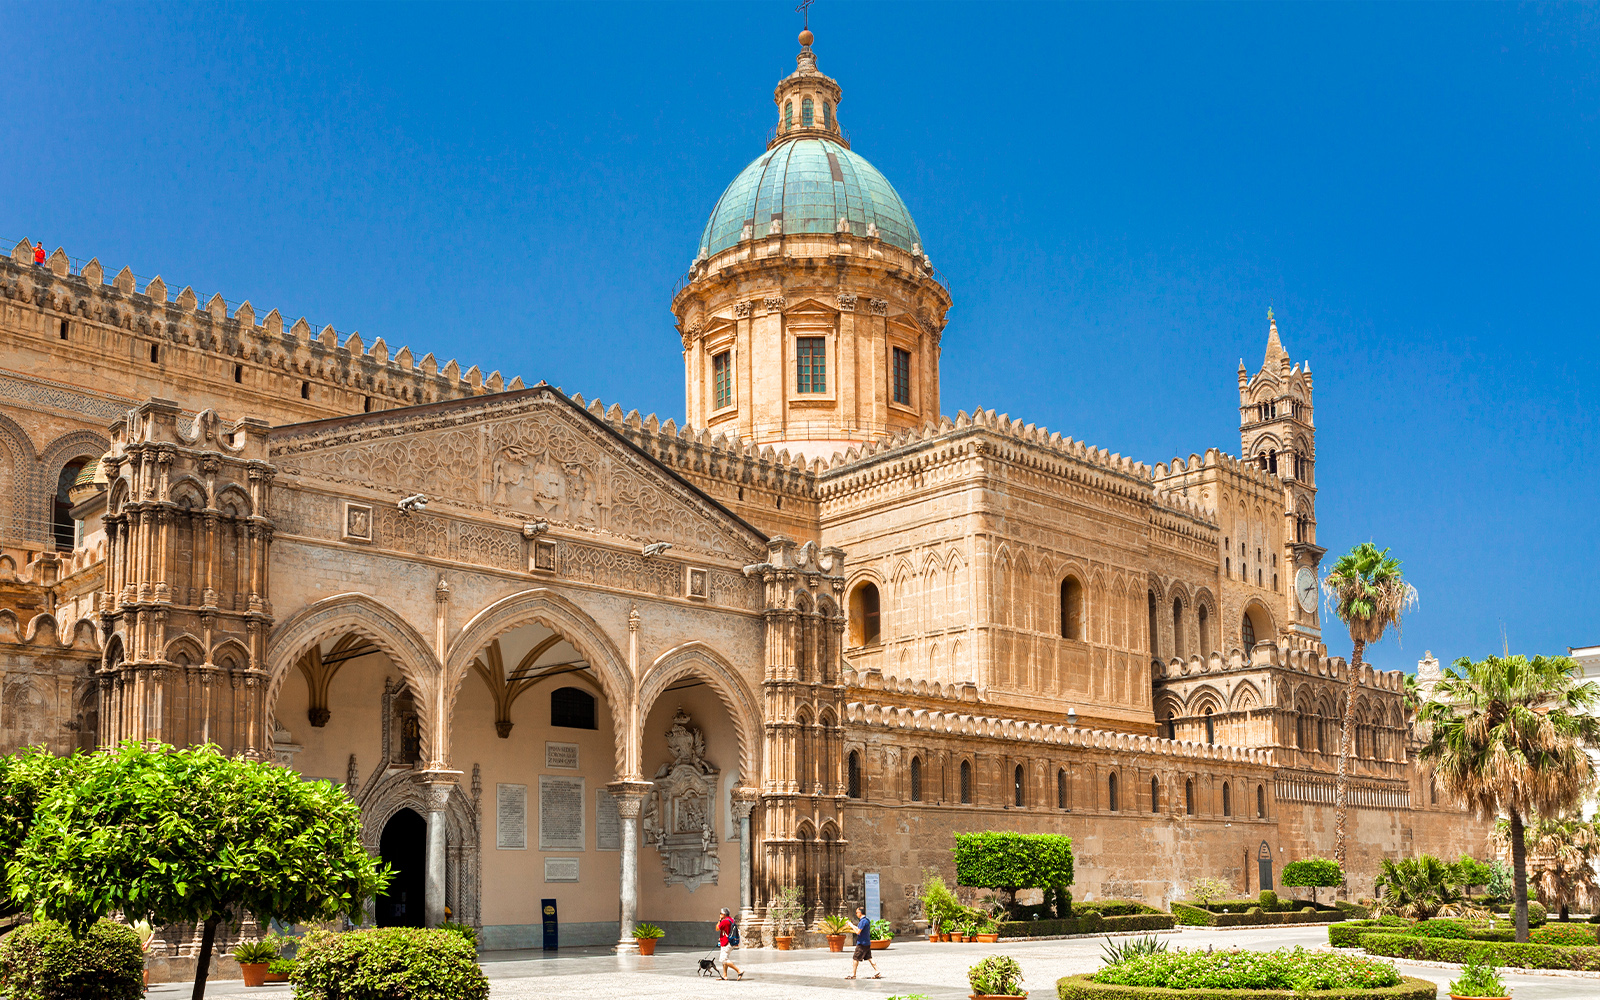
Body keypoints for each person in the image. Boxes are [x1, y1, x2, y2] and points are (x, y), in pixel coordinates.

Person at [846, 905, 881, 980]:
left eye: (856, 912)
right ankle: (877, 971)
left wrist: (852, 926)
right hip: (867, 942)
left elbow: (858, 932)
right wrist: (852, 925)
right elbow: (859, 928)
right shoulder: (866, 920)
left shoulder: (862, 921)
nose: (856, 914)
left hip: (862, 943)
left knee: (855, 958)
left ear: (860, 913)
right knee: (869, 957)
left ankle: (853, 974)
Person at [715, 907, 743, 980]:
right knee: (725, 958)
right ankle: (725, 975)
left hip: (726, 942)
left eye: (721, 913)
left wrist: (719, 920)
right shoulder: (731, 919)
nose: (720, 915)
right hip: (730, 941)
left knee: (724, 959)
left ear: (723, 914)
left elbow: (717, 928)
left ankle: (739, 970)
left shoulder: (724, 921)